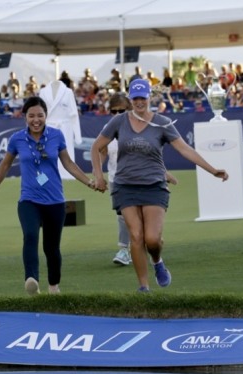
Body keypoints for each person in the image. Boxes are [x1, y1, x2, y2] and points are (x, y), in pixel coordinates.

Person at [90, 79, 229, 293]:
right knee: (135, 236)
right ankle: (143, 287)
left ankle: (157, 262)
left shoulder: (162, 122)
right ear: (130, 99)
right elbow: (96, 146)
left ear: (149, 98)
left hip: (154, 185)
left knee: (152, 240)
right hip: (125, 187)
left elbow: (185, 149)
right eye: (135, 98)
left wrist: (212, 169)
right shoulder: (119, 122)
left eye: (142, 98)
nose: (139, 102)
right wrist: (98, 176)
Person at [0, 96, 97, 296]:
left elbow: (68, 163)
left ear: (46, 116)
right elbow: (5, 164)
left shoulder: (56, 136)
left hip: (55, 200)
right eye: (31, 116)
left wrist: (88, 181)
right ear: (24, 117)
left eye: (40, 115)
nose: (36, 120)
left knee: (52, 248)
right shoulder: (17, 139)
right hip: (29, 200)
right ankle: (31, 280)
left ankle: (54, 286)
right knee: (31, 236)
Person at [98, 94, 178, 267]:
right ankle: (124, 250)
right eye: (113, 111)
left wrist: (164, 173)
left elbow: (149, 155)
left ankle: (151, 244)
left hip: (144, 179)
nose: (117, 113)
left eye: (121, 110)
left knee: (143, 220)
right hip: (117, 179)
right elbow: (101, 150)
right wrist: (98, 174)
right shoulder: (110, 126)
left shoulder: (143, 124)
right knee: (123, 218)